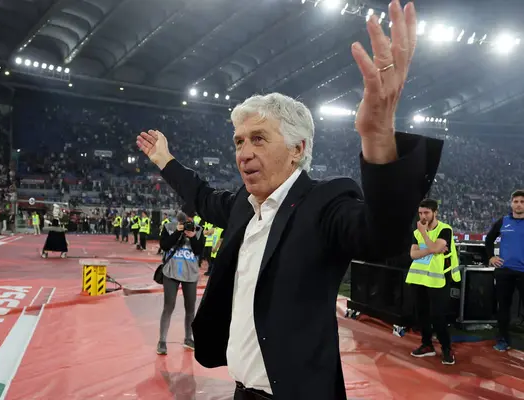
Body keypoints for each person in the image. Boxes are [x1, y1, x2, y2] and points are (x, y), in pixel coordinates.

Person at [136, 2, 440, 398]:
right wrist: (164, 160)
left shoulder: (326, 203)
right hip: (241, 391)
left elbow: (382, 237)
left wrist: (379, 137)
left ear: (297, 149)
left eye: (259, 139)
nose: (243, 152)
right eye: (239, 142)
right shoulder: (244, 207)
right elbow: (202, 197)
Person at [406, 199, 460, 365]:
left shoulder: (445, 229)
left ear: (435, 212)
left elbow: (436, 249)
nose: (423, 216)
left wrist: (424, 235)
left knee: (438, 316)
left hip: (438, 279)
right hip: (419, 278)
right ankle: (427, 344)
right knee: (422, 313)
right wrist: (432, 248)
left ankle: (446, 348)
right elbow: (413, 255)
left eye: (426, 213)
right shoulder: (416, 232)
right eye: (421, 213)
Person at [157, 209, 205, 356]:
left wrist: (192, 236)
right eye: (184, 219)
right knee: (168, 306)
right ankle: (162, 341)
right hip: (171, 272)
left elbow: (199, 251)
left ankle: (188, 338)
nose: (187, 222)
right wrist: (178, 232)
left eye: (190, 219)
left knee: (190, 308)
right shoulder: (168, 227)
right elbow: (164, 245)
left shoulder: (198, 229)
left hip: (190, 273)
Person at [485, 189, 524, 352]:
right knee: (503, 307)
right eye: (516, 201)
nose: (519, 204)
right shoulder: (503, 221)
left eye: (522, 202)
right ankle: (502, 339)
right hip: (504, 271)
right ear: (511, 203)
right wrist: (491, 257)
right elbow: (489, 239)